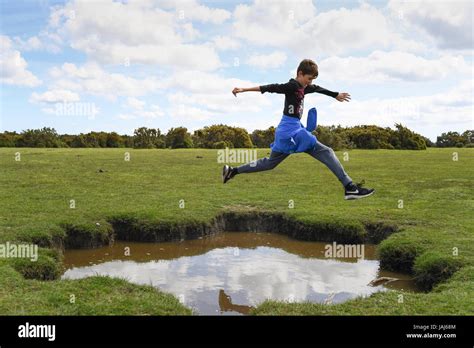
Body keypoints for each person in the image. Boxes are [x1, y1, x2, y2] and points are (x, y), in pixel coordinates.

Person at [223, 59, 374, 200]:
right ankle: (350, 187)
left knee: (269, 163)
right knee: (327, 151)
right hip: (291, 132)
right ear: (300, 74)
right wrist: (244, 89)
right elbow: (270, 87)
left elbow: (318, 89)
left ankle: (233, 171)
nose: (310, 82)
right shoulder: (292, 86)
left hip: (288, 130)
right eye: (309, 78)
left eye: (312, 80)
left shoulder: (304, 87)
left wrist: (335, 95)